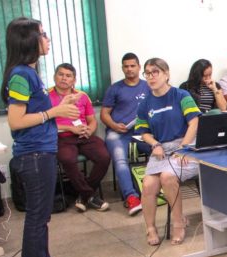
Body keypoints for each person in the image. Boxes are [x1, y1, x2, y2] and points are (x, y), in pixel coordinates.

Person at [2, 17, 81, 257]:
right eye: (43, 34)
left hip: (42, 151)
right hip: (33, 155)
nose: (47, 39)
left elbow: (38, 114)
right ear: (28, 40)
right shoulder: (21, 75)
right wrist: (55, 112)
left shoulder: (29, 73)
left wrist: (62, 105)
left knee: (42, 217)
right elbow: (16, 120)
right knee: (37, 218)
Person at [135, 58, 201, 246]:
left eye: (155, 72)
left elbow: (194, 123)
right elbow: (143, 132)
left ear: (166, 74)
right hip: (161, 149)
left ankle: (178, 223)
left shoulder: (181, 95)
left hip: (186, 146)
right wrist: (154, 144)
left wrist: (184, 148)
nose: (151, 77)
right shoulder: (145, 103)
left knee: (167, 177)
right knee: (148, 184)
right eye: (147, 73)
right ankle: (150, 228)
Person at [49, 63, 110, 212]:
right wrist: (70, 128)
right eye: (61, 74)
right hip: (61, 137)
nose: (64, 78)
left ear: (74, 80)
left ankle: (83, 196)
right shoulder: (46, 97)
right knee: (68, 159)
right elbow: (45, 124)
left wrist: (89, 130)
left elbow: (92, 120)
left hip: (83, 136)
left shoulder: (82, 96)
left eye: (68, 76)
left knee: (104, 157)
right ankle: (89, 195)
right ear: (54, 77)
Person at [101, 52, 150, 216]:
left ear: (139, 67)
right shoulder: (115, 88)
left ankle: (154, 191)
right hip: (118, 133)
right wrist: (114, 126)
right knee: (121, 160)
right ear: (122, 68)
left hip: (141, 132)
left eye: (132, 66)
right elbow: (104, 114)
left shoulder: (148, 86)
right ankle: (131, 197)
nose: (129, 69)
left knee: (159, 150)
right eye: (126, 66)